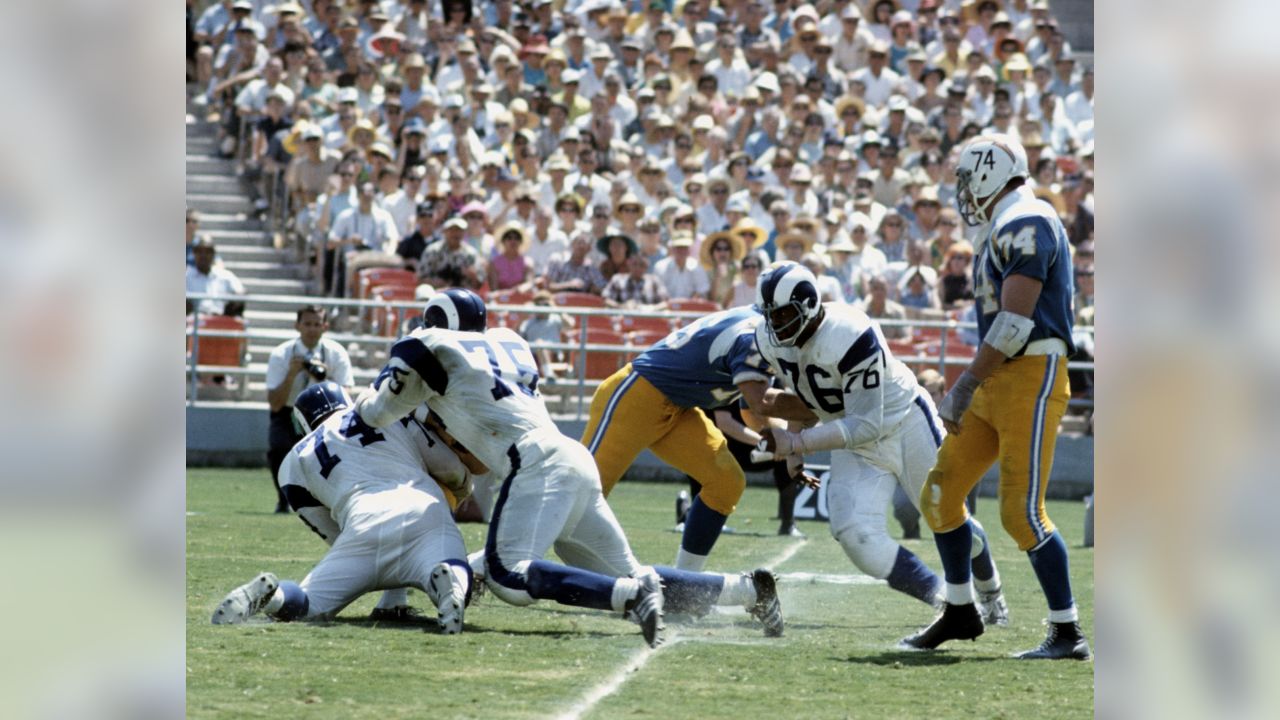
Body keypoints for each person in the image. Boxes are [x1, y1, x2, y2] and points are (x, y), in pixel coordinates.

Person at [357, 290, 785, 645]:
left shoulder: (434, 345)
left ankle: (627, 595)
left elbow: (376, 413)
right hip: (568, 458)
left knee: (510, 575)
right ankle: (748, 589)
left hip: (536, 463)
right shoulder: (510, 342)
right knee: (628, 569)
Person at [904, 134, 1090, 660]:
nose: (963, 192)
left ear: (989, 172)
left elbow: (1014, 321)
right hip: (998, 374)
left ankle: (1067, 631)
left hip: (1028, 372)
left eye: (967, 179)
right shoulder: (1004, 225)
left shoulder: (1027, 221)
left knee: (1020, 514)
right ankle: (961, 611)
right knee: (940, 493)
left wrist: (963, 383)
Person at [754, 262, 1006, 616]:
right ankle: (946, 601)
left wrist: (794, 443)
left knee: (945, 516)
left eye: (783, 315)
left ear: (808, 305)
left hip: (902, 423)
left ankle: (990, 589)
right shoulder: (769, 339)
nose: (775, 325)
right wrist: (794, 438)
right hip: (851, 438)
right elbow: (805, 393)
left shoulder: (849, 332)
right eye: (770, 317)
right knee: (855, 534)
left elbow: (867, 424)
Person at [211, 382, 474, 632]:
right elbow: (449, 468)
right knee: (453, 570)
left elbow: (330, 529)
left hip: (363, 523)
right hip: (422, 507)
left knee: (306, 605)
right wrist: (462, 488)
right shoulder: (384, 412)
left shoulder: (293, 462)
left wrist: (362, 555)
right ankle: (447, 585)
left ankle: (273, 597)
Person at [581, 306, 817, 572]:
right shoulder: (752, 335)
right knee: (581, 492)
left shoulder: (763, 335)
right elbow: (761, 402)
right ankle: (531, 565)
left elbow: (749, 412)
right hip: (637, 397)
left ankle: (686, 581)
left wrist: (784, 441)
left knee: (726, 481)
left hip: (678, 408)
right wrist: (818, 405)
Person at [264, 305, 355, 514]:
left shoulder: (336, 352)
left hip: (325, 414)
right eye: (307, 324)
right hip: (288, 411)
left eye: (317, 324)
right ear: (297, 326)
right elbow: (275, 402)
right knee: (279, 448)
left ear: (325, 326)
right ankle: (284, 499)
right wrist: (292, 373)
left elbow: (347, 394)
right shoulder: (282, 354)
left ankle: (329, 500)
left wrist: (323, 378)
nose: (312, 329)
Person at [186, 236, 245, 317]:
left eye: (208, 252)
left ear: (213, 254)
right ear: (194, 254)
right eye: (199, 251)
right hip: (193, 324)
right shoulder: (186, 277)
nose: (203, 255)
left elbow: (241, 292)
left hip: (220, 322)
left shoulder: (225, 276)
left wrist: (235, 303)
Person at [603, 253, 668, 309]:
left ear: (647, 266)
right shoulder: (618, 279)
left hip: (647, 320)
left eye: (642, 265)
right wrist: (622, 306)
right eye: (634, 264)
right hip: (623, 319)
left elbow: (665, 303)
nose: (638, 268)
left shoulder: (654, 281)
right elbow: (605, 300)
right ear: (628, 264)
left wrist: (651, 308)